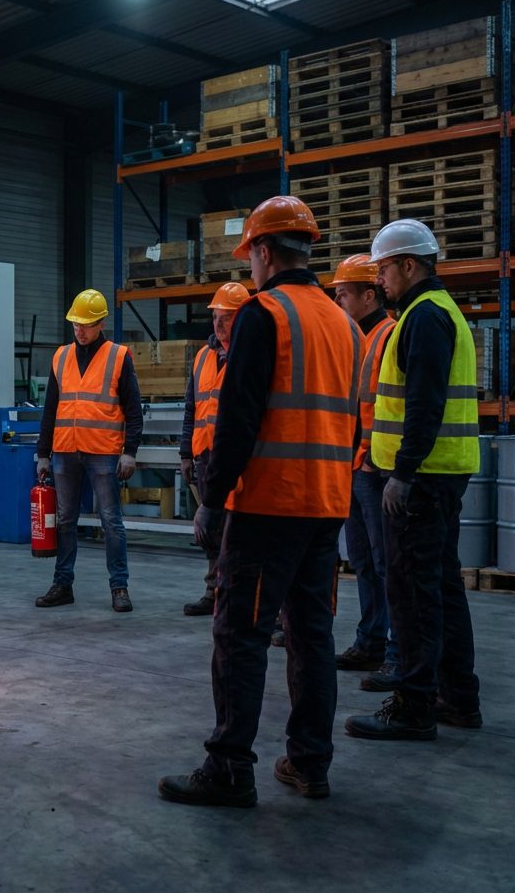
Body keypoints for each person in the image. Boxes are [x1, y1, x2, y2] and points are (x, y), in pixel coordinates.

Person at [158, 196, 362, 807]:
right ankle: (310, 764)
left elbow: (238, 420)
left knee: (240, 636)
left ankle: (228, 769)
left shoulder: (263, 314)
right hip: (327, 506)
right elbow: (350, 421)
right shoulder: (345, 325)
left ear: (266, 252)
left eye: (250, 255)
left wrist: (212, 499)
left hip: (268, 505)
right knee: (312, 636)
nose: (250, 266)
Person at [345, 219, 482, 741]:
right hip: (440, 473)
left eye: (383, 269)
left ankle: (413, 706)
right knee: (441, 587)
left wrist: (401, 474)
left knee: (412, 592)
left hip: (420, 480)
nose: (379, 279)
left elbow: (425, 403)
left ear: (408, 265)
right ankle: (457, 697)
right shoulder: (437, 311)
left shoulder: (424, 317)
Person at [35, 289, 143, 613]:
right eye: (75, 324)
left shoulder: (118, 356)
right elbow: (50, 409)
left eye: (86, 324)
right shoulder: (61, 356)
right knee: (65, 520)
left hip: (103, 452)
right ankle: (62, 584)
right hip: (65, 450)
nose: (79, 330)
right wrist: (43, 453)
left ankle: (119, 586)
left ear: (101, 323)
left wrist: (130, 451)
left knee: (111, 521)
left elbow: (133, 410)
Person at [331, 254, 401, 690]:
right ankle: (371, 640)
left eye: (343, 294)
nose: (338, 302)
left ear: (369, 295)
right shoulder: (354, 339)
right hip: (355, 464)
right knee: (362, 560)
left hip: (376, 468)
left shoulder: (389, 335)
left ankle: (396, 652)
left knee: (385, 562)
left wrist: (379, 459)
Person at [180, 281, 249, 617]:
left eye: (227, 318)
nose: (219, 324)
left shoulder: (249, 355)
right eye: (215, 318)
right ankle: (213, 590)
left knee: (241, 530)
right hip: (206, 455)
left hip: (239, 457)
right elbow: (191, 408)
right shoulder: (202, 358)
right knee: (211, 530)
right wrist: (185, 453)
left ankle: (238, 595)